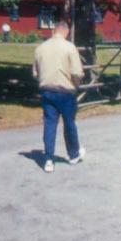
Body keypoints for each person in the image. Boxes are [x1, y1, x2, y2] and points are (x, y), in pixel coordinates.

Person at [32, 21, 85, 173]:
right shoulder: (70, 47)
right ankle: (73, 155)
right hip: (66, 91)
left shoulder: (40, 48)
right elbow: (76, 72)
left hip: (47, 90)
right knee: (69, 123)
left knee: (49, 124)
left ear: (53, 31)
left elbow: (35, 73)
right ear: (66, 32)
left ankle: (49, 159)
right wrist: (75, 85)